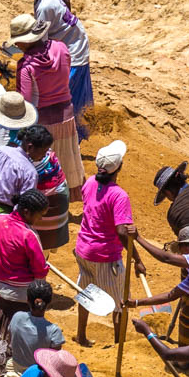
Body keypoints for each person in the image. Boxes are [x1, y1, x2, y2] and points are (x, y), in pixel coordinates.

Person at [0, 190, 57, 377]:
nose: (39, 219)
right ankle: (16, 371)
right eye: (39, 215)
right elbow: (39, 271)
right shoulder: (28, 235)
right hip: (22, 295)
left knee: (2, 327)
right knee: (21, 333)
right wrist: (45, 268)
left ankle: (0, 367)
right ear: (27, 212)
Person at [69, 139, 135, 347]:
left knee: (86, 293)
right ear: (119, 167)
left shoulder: (90, 182)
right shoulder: (119, 196)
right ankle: (118, 344)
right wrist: (137, 258)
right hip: (105, 256)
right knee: (120, 301)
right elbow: (121, 231)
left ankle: (81, 335)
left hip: (83, 249)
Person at [11, 14, 84, 190]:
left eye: (18, 41)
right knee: (66, 164)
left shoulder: (26, 66)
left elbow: (25, 102)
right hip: (66, 116)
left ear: (26, 40)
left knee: (44, 172)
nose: (16, 45)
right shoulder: (61, 47)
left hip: (43, 126)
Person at [20, 0, 91, 133]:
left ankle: (72, 132)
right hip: (73, 41)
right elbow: (66, 0)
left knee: (64, 94)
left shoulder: (44, 6)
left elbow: (40, 43)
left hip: (74, 50)